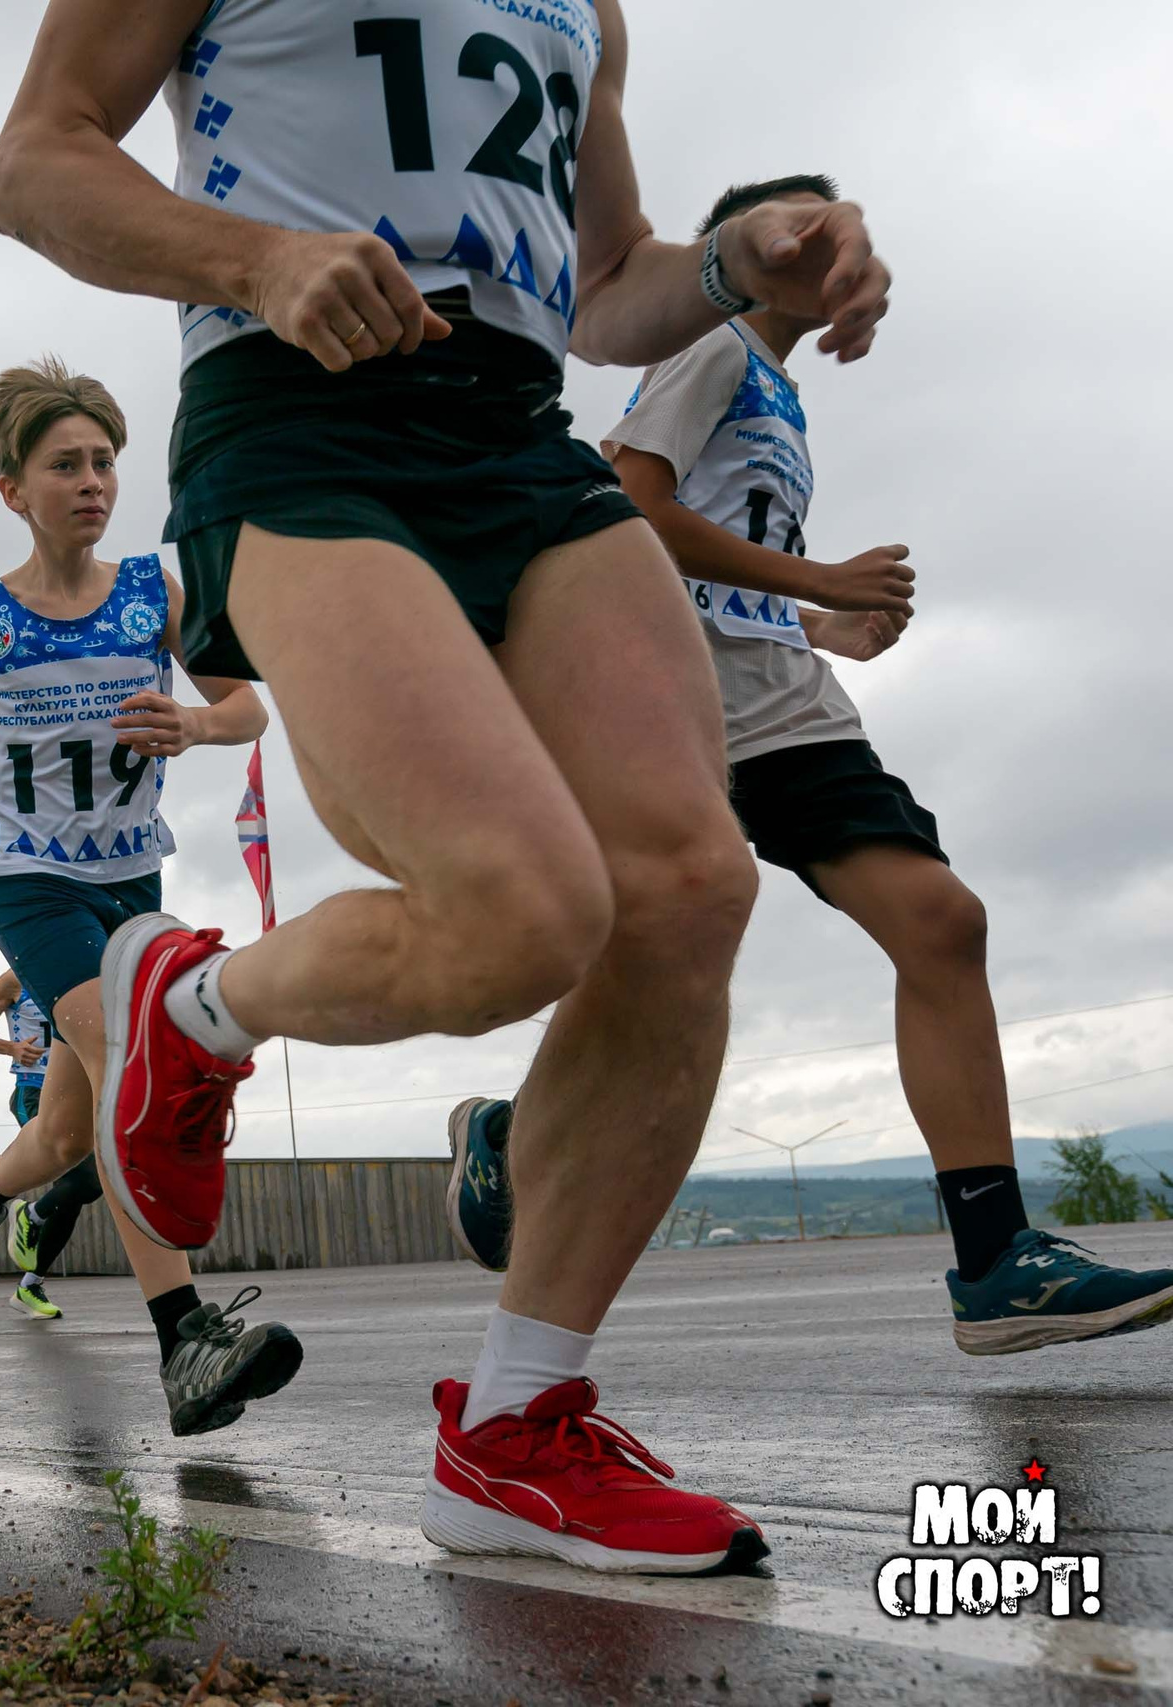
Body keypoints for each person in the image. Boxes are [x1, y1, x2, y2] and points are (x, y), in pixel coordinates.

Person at [0, 0, 888, 1569]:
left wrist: (743, 262)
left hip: (518, 435)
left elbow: (612, 290)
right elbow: (36, 161)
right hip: (299, 419)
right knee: (522, 912)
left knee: (687, 887)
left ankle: (513, 1428)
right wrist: (252, 258)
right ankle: (191, 1007)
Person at [448, 176, 1173, 1358]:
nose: (827, 251)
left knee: (942, 920)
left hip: (781, 704)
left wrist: (817, 625)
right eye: (802, 226)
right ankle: (509, 1135)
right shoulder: (713, 348)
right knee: (647, 961)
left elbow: (730, 555)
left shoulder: (777, 389)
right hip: (661, 700)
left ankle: (995, 1261)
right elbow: (625, 501)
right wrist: (823, 581)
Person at [0, 357, 301, 1438]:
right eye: (65, 465)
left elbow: (247, 709)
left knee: (59, 1137)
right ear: (15, 489)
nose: (92, 481)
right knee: (125, 1056)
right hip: (25, 877)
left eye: (104, 461)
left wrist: (194, 723)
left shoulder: (154, 592)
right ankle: (184, 1338)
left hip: (129, 877)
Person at [0, 967, 94, 1320]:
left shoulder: (85, 971)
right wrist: (11, 1048)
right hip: (36, 1091)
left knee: (79, 1189)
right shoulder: (15, 979)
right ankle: (29, 1216)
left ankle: (30, 1283)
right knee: (84, 1179)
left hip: (83, 1093)